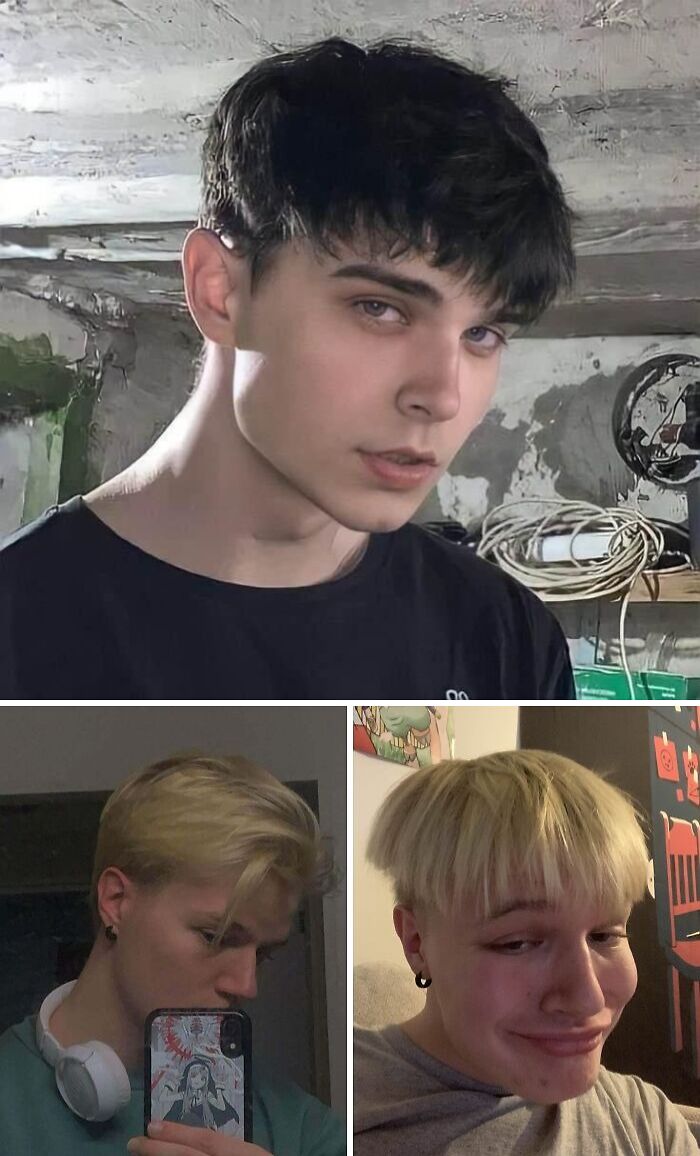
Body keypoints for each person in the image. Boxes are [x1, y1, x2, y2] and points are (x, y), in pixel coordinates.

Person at [0, 37, 575, 700]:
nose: (442, 396)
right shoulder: (22, 630)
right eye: (380, 309)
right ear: (220, 291)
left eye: (482, 333)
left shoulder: (503, 637)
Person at [354, 750, 699, 1154]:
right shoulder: (341, 1105)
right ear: (416, 942)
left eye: (605, 935)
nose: (587, 998)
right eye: (518, 943)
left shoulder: (646, 1120)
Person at [0, 754, 345, 1156]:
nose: (247, 985)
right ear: (115, 901)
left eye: (264, 952)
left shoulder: (307, 1133)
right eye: (215, 936)